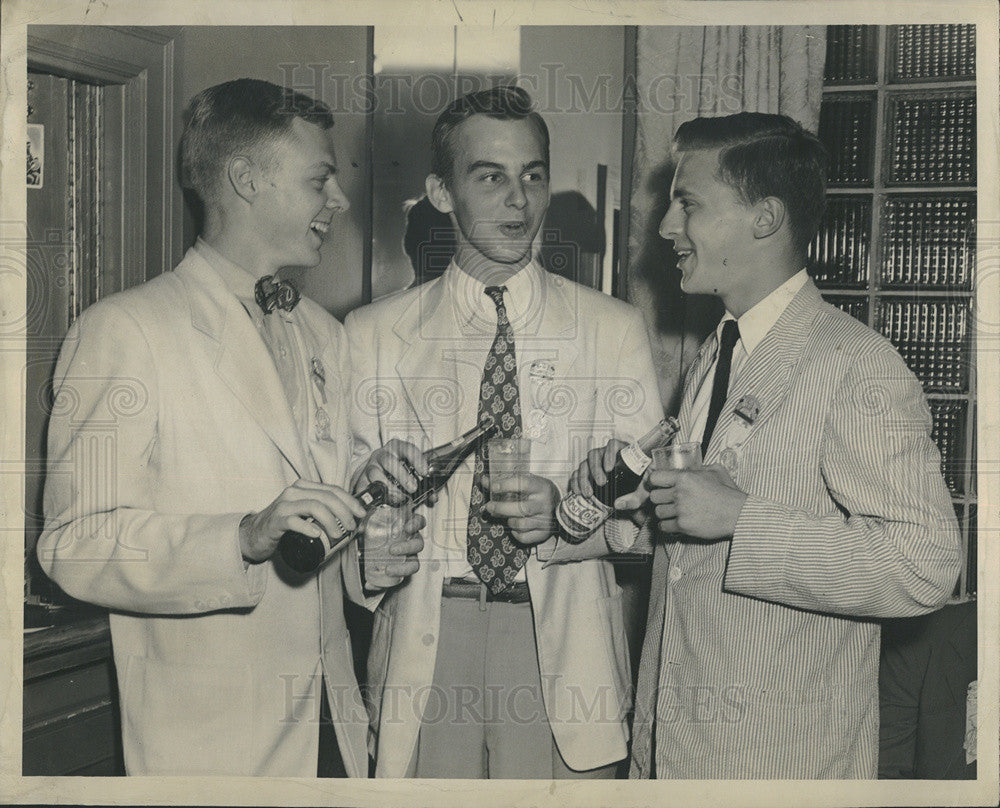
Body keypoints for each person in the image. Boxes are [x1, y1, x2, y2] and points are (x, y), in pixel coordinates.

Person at [37, 78, 423, 777]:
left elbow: (313, 544)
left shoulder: (323, 335)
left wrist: (369, 542)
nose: (337, 201)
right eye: (320, 180)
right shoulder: (122, 332)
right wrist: (241, 537)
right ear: (246, 179)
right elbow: (74, 542)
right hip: (212, 749)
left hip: (333, 728)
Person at [573, 112, 962, 779]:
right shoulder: (717, 352)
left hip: (781, 769)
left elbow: (924, 564)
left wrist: (741, 519)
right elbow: (703, 544)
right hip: (672, 759)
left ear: (765, 218)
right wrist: (638, 513)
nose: (666, 227)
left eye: (687, 204)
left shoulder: (855, 364)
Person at [344, 86, 663, 778]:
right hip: (428, 648)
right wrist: (371, 533)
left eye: (534, 175)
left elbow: (653, 519)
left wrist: (574, 519)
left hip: (564, 652)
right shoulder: (370, 335)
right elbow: (342, 521)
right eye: (489, 176)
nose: (518, 200)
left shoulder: (612, 330)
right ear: (439, 191)